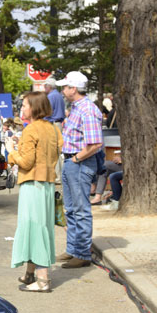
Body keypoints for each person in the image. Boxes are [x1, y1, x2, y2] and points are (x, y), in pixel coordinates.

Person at [9, 91, 63, 292]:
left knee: (33, 226)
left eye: (24, 105)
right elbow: (56, 156)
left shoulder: (30, 130)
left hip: (33, 184)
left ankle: (42, 280)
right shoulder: (53, 129)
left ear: (34, 107)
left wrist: (11, 153)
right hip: (47, 184)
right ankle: (30, 273)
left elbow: (26, 161)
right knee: (41, 226)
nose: (21, 108)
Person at [58, 70, 103, 269]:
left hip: (79, 163)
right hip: (74, 162)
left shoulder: (86, 109)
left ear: (73, 88)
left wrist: (76, 158)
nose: (62, 89)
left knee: (80, 209)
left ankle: (82, 253)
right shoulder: (78, 108)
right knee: (72, 208)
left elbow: (95, 144)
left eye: (65, 86)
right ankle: (74, 249)